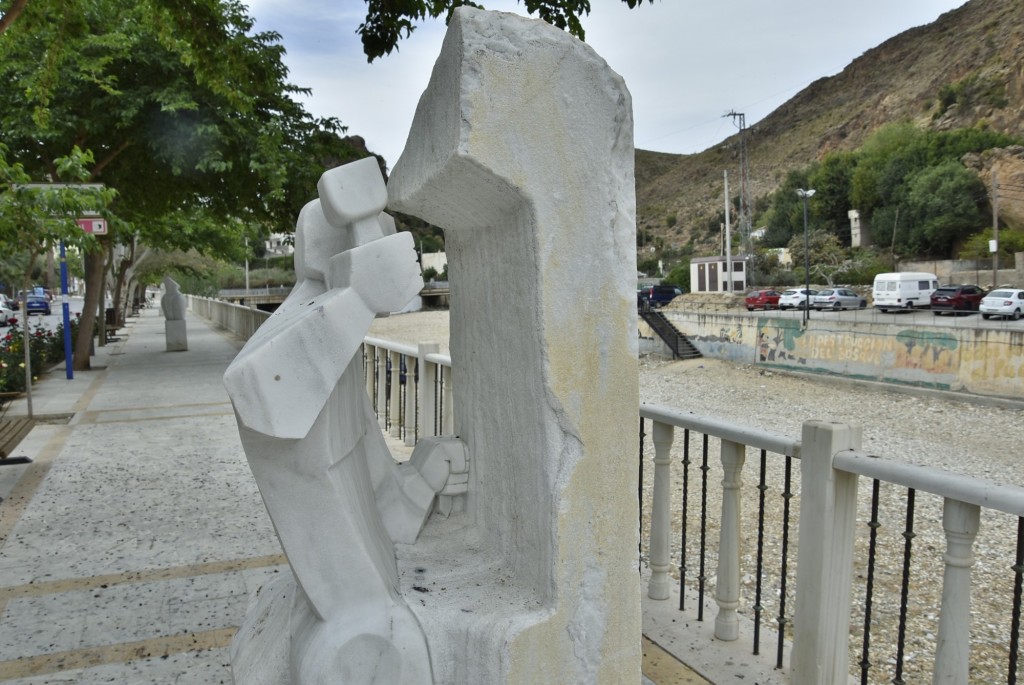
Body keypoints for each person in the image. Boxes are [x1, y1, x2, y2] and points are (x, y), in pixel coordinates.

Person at [224, 158, 438, 684]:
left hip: (374, 598)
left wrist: (424, 478)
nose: (391, 239)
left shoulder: (335, 358)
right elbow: (255, 391)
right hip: (358, 627)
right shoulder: (301, 340)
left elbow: (378, 491)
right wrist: (358, 297)